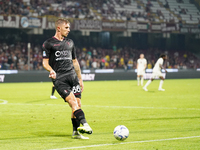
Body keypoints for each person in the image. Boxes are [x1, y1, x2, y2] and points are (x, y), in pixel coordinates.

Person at [42, 18, 92, 139]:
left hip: (73, 77)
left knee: (78, 103)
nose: (69, 30)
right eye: (66, 28)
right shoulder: (48, 43)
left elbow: (75, 62)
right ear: (58, 28)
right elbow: (45, 63)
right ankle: (85, 124)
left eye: (69, 27)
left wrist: (80, 78)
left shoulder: (70, 42)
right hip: (60, 79)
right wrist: (51, 70)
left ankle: (75, 132)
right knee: (73, 102)